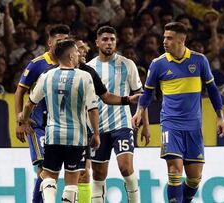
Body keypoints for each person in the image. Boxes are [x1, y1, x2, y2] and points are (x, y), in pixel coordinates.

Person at [132, 22, 224, 203]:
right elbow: (147, 92)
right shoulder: (158, 64)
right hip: (171, 124)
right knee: (174, 170)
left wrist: (220, 117)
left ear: (182, 40)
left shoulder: (199, 60)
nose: (164, 41)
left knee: (194, 179)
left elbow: (212, 90)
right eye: (164, 37)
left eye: (169, 38)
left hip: (194, 127)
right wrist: (139, 112)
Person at [18, 39, 100, 203]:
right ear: (70, 56)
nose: (79, 54)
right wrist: (96, 133)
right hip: (76, 137)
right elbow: (92, 109)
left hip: (53, 135)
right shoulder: (84, 76)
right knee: (71, 180)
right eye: (76, 52)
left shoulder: (47, 76)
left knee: (49, 176)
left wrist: (24, 119)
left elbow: (29, 104)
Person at [87, 26, 150, 203]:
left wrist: (145, 125)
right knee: (98, 174)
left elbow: (140, 96)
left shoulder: (127, 64)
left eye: (112, 39)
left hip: (122, 124)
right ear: (97, 42)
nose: (109, 43)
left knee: (125, 167)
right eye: (105, 39)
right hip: (97, 128)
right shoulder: (89, 68)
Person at [75, 39, 142, 203]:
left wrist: (129, 101)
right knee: (83, 174)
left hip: (119, 125)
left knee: (125, 168)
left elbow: (105, 96)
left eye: (84, 49)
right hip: (83, 128)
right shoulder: (56, 72)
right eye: (78, 50)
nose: (82, 53)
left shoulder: (89, 70)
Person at [14, 24, 70, 203]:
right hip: (37, 126)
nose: (62, 44)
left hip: (59, 126)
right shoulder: (38, 64)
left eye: (66, 41)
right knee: (45, 171)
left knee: (51, 173)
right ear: (49, 43)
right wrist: (20, 121)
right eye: (58, 41)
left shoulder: (70, 65)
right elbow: (19, 91)